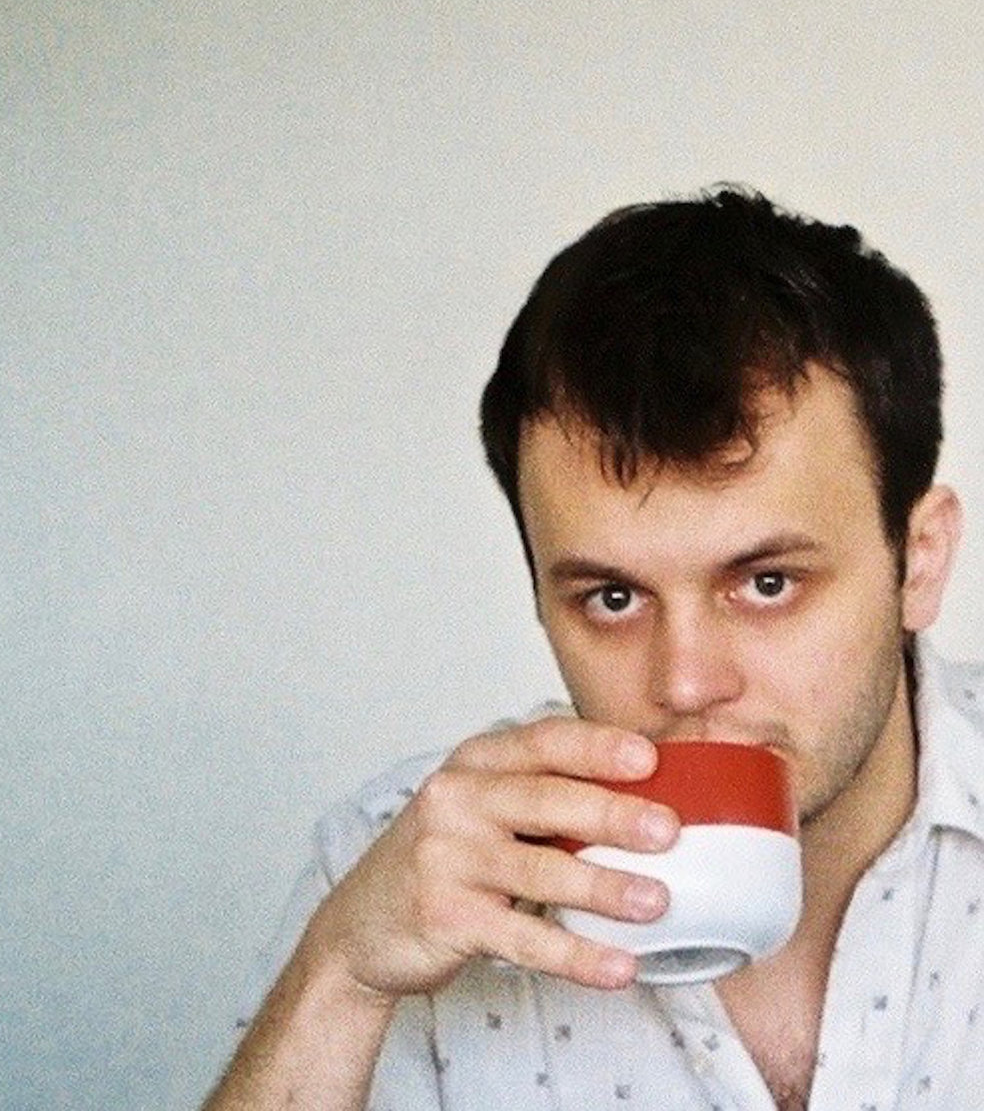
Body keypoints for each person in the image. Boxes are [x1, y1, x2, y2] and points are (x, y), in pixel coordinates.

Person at [202, 187, 984, 1110]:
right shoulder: (394, 870)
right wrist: (340, 980)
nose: (686, 683)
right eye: (613, 598)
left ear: (919, 560)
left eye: (768, 583)